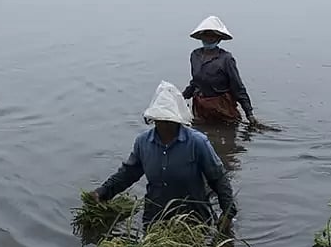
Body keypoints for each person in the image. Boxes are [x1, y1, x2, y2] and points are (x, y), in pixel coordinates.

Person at [91, 81, 236, 229]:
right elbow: (128, 174)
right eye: (161, 120)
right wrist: (103, 191)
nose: (165, 125)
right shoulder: (143, 143)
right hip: (155, 218)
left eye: (169, 121)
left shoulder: (197, 143)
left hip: (193, 220)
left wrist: (228, 213)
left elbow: (218, 178)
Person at [182, 16, 256, 126]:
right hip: (201, 107)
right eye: (206, 35)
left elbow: (237, 86)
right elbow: (195, 82)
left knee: (226, 132)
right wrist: (180, 98)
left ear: (219, 39)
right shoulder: (195, 55)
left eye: (213, 36)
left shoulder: (226, 59)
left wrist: (249, 113)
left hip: (222, 107)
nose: (209, 38)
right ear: (201, 36)